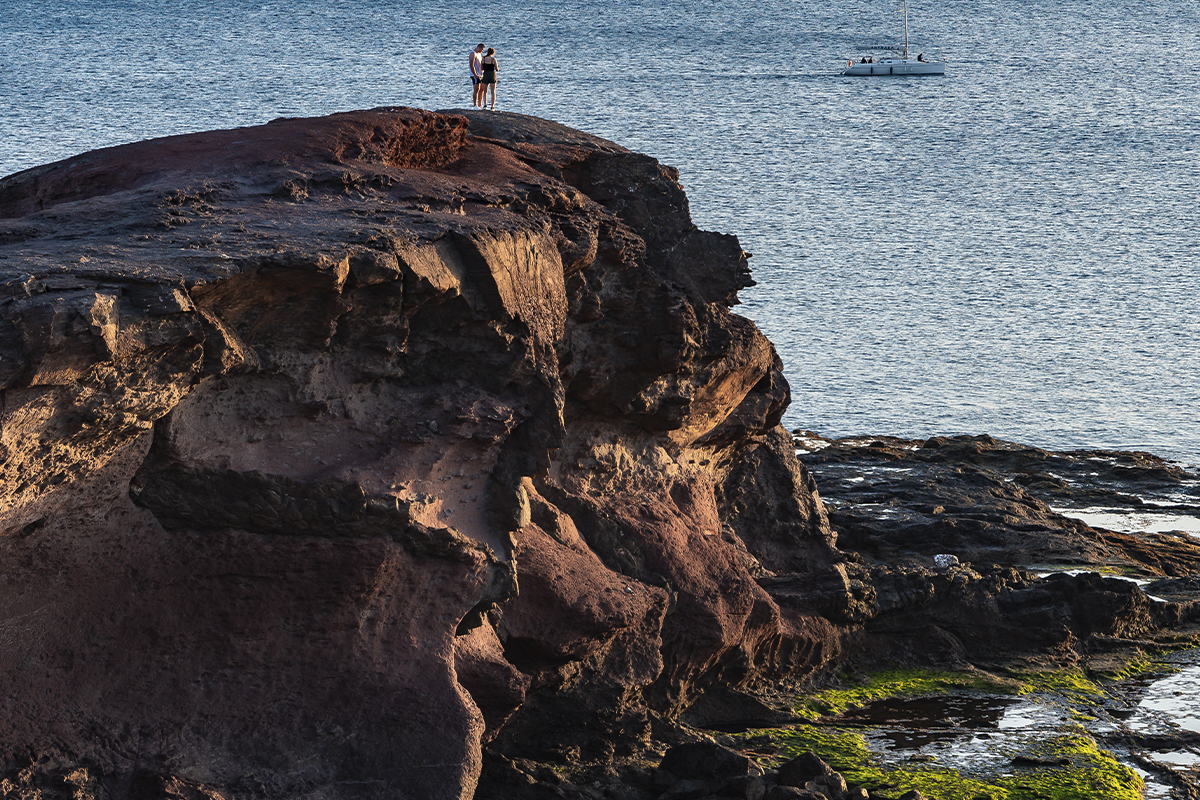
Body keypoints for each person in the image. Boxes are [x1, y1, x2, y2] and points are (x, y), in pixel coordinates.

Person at [469, 43, 486, 108]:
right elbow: (471, 65)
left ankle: (480, 104)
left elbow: (481, 59)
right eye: (482, 50)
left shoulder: (479, 54)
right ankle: (475, 105)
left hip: (481, 74)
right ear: (479, 47)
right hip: (475, 74)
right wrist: (475, 74)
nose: (482, 51)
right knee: (476, 89)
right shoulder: (473, 53)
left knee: (482, 89)